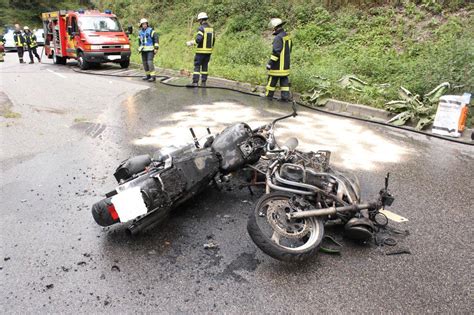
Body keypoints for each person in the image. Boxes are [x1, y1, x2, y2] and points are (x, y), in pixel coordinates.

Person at [265, 18, 292, 101]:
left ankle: (268, 96)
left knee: (272, 80)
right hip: (285, 66)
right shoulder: (287, 36)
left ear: (275, 27)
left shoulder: (278, 38)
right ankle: (285, 98)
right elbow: (289, 49)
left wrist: (270, 63)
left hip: (277, 66)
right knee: (284, 81)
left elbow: (276, 52)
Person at [187, 12, 215, 87]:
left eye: (199, 20)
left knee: (197, 65)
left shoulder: (201, 28)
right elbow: (213, 40)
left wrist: (191, 42)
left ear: (201, 20)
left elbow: (198, 39)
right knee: (205, 66)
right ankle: (203, 81)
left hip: (200, 52)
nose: (199, 22)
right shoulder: (211, 29)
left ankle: (195, 82)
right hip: (208, 52)